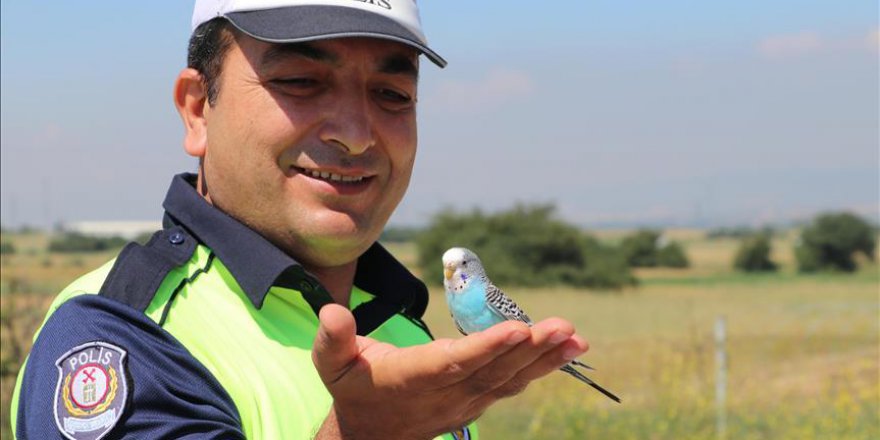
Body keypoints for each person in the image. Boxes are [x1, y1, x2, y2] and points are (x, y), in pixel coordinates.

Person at [10, 1, 591, 439]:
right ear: (197, 110)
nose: (356, 133)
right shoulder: (117, 337)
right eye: (300, 81)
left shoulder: (406, 331)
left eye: (391, 92)